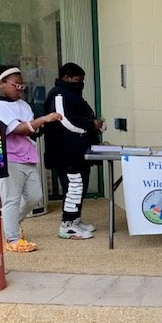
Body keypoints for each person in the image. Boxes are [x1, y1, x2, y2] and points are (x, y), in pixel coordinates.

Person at [0, 63, 62, 252]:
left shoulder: (23, 105)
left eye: (22, 85)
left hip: (28, 157)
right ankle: (12, 239)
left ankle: (11, 223)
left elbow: (31, 130)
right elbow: (19, 129)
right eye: (16, 84)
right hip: (8, 159)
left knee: (34, 197)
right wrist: (42, 119)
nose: (20, 88)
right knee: (11, 200)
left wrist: (43, 124)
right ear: (1, 84)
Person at [43, 62, 102, 240]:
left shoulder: (72, 94)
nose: (81, 83)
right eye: (78, 80)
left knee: (80, 186)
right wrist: (90, 125)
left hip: (78, 151)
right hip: (66, 151)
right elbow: (64, 121)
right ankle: (67, 225)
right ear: (67, 78)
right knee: (74, 187)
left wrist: (95, 125)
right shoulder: (59, 94)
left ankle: (75, 220)